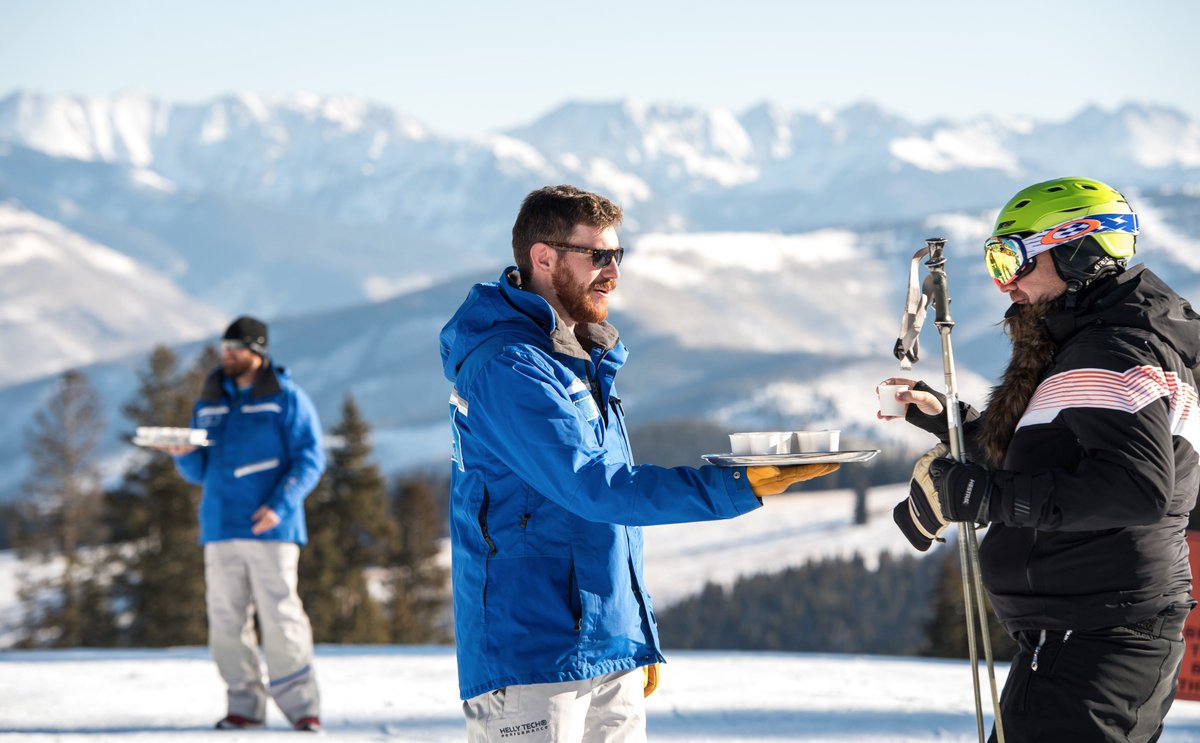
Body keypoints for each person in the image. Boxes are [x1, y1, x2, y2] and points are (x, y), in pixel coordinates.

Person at [439, 184, 840, 742]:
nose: (612, 272)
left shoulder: (575, 359)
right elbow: (598, 490)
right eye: (597, 255)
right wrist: (732, 486)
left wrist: (629, 628)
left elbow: (603, 525)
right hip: (531, 655)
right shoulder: (509, 368)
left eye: (617, 256)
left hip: (604, 651)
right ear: (543, 257)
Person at [882, 177, 1198, 742]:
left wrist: (985, 497)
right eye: (995, 262)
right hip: (1091, 635)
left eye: (1015, 260)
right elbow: (1055, 452)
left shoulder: (1112, 351)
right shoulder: (1098, 338)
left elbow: (1135, 490)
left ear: (1080, 249)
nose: (1006, 285)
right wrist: (950, 421)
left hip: (1098, 638)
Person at [161, 316, 327, 733]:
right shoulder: (210, 401)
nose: (227, 355)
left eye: (235, 348)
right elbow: (199, 471)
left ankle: (302, 708)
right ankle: (244, 706)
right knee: (225, 618)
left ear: (258, 351)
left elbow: (311, 458)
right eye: (224, 348)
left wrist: (280, 504)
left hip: (271, 527)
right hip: (220, 525)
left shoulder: (286, 398)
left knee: (280, 615)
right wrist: (182, 453)